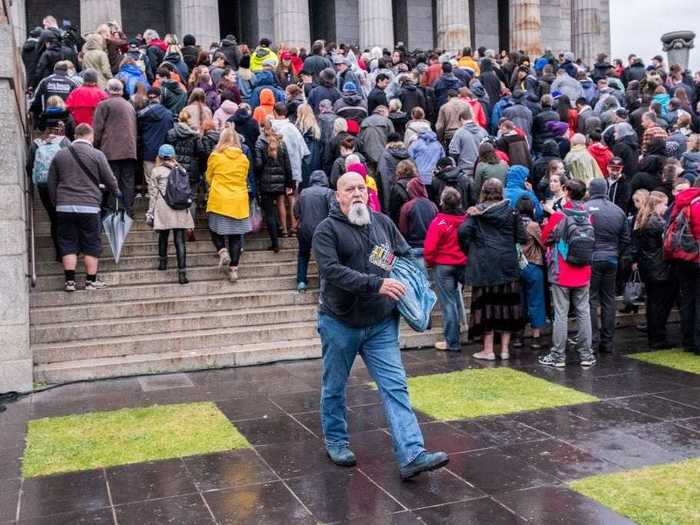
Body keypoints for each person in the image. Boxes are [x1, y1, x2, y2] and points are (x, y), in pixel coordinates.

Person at [312, 171, 449, 479]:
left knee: (395, 386)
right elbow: (332, 271)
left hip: (380, 323)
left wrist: (413, 285)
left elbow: (402, 256)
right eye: (350, 189)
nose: (357, 193)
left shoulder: (383, 223)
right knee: (334, 386)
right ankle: (336, 440)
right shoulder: (326, 230)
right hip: (340, 322)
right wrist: (376, 283)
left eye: (362, 188)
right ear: (338, 196)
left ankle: (412, 453)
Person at [458, 178, 526, 360]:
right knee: (507, 306)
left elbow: (463, 232)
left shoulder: (476, 213)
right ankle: (504, 350)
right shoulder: (512, 212)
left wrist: (472, 249)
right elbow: (522, 237)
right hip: (507, 264)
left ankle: (488, 350)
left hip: (484, 265)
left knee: (486, 306)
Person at [47, 123, 120, 292]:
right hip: (89, 206)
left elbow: (51, 183)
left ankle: (70, 282)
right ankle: (90, 282)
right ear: (91, 136)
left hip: (64, 207)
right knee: (91, 243)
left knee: (67, 242)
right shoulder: (97, 154)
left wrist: (56, 202)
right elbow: (109, 179)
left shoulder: (60, 155)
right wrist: (116, 192)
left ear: (75, 136)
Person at [539, 179, 596, 368]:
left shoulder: (560, 216)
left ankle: (558, 355)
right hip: (584, 269)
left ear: (567, 192)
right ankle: (587, 355)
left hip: (562, 271)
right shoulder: (588, 215)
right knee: (583, 312)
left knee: (561, 314)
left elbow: (545, 238)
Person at [584, 177, 630, 354]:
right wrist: (616, 253)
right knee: (608, 300)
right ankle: (607, 341)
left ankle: (593, 341)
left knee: (591, 299)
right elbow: (626, 239)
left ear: (591, 189)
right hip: (611, 258)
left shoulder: (585, 209)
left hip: (592, 258)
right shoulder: (617, 211)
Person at [204, 128, 252, 283]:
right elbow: (244, 176)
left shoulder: (215, 156)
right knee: (236, 236)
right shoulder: (244, 158)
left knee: (213, 228)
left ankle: (222, 251)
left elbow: (209, 176)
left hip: (219, 199)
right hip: (239, 200)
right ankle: (234, 270)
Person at [424, 187, 467, 352]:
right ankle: (456, 334)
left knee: (448, 303)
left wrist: (429, 262)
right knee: (455, 300)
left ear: (442, 202)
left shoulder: (439, 222)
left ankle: (452, 341)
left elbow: (430, 247)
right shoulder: (466, 220)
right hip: (462, 264)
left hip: (443, 265)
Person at [631, 191, 675, 349]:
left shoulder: (642, 220)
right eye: (664, 204)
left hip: (648, 268)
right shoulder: (657, 223)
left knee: (653, 304)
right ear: (656, 204)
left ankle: (654, 336)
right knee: (660, 305)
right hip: (660, 269)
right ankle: (658, 338)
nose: (666, 207)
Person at [145, 144, 192, 284]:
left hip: (163, 206)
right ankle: (182, 273)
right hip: (180, 207)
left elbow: (153, 194)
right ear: (173, 156)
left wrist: (150, 213)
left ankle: (163, 263)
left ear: (159, 156)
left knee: (163, 235)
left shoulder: (156, 171)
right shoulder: (181, 170)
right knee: (180, 240)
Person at [92, 79, 138, 217]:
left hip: (110, 150)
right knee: (128, 181)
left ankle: (113, 211)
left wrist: (95, 146)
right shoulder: (129, 105)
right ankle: (128, 211)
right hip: (129, 150)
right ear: (121, 90)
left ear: (108, 90)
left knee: (111, 180)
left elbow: (97, 129)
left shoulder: (103, 105)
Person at [666, 181, 700, 356]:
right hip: (697, 256)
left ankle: (687, 341)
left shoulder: (683, 202)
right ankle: (698, 343)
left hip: (683, 256)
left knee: (687, 299)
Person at [255, 120, 294, 250]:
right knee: (281, 205)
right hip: (280, 182)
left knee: (270, 213)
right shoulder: (281, 143)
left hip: (266, 184)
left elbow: (258, 165)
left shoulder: (260, 143)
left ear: (262, 129)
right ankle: (283, 228)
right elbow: (288, 165)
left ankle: (275, 243)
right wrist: (289, 183)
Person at [294, 170, 334, 292]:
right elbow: (333, 211)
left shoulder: (304, 192)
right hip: (323, 231)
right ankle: (322, 284)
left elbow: (296, 211)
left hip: (304, 230)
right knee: (324, 256)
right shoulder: (328, 192)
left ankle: (301, 281)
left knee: (303, 254)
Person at [515, 198, 546, 349]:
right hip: (533, 266)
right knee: (536, 301)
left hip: (516, 267)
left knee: (519, 302)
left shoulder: (513, 224)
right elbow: (543, 243)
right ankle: (535, 337)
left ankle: (518, 336)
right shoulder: (533, 226)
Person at [398, 178, 438, 259]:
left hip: (414, 247)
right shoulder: (433, 205)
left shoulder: (407, 207)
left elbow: (403, 230)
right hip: (431, 247)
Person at [449, 106, 488, 174]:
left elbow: (454, 152)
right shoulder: (483, 131)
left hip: (465, 169)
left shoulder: (459, 133)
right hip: (482, 168)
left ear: (461, 119)